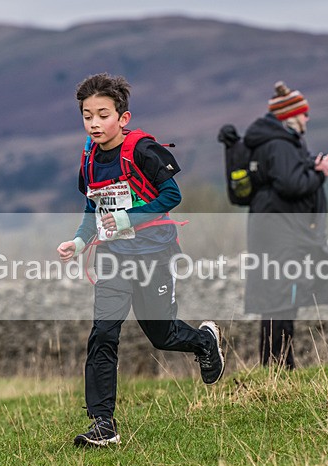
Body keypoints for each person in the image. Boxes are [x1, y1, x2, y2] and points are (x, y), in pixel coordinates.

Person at [57, 73, 225, 446]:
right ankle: (104, 424)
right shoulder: (88, 157)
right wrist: (79, 240)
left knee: (162, 334)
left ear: (123, 117)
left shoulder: (143, 151)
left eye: (103, 115)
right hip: (113, 257)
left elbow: (171, 195)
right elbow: (92, 205)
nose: (95, 123)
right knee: (103, 335)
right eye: (87, 116)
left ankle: (203, 342)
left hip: (153, 254)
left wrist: (127, 218)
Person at [242, 81, 328, 370]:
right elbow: (291, 184)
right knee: (282, 298)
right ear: (291, 115)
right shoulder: (280, 144)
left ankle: (277, 364)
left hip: (274, 230)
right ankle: (280, 366)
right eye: (304, 113)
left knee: (279, 298)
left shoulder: (275, 141)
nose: (308, 118)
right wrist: (321, 173)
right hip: (281, 233)